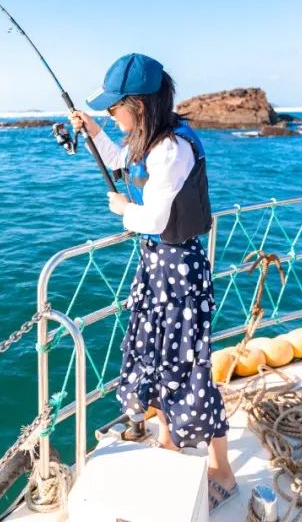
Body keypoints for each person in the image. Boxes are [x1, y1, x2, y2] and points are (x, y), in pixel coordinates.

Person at [68, 52, 239, 512]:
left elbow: (155, 216)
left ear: (137, 105)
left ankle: (222, 468)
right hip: (156, 268)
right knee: (158, 358)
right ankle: (169, 441)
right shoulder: (149, 140)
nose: (110, 114)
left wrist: (125, 212)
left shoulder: (171, 148)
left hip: (178, 272)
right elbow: (122, 161)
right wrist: (93, 130)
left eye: (113, 108)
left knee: (189, 365)